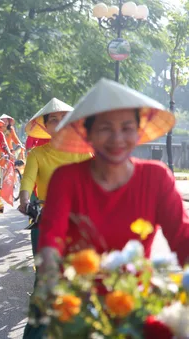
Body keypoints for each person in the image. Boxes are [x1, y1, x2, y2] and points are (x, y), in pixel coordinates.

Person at [32, 78, 189, 337]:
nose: (117, 138)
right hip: (78, 308)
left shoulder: (156, 177)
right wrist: (50, 284)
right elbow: (52, 238)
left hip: (134, 303)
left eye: (127, 128)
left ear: (138, 131)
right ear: (87, 133)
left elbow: (182, 236)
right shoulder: (66, 178)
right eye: (105, 128)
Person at [19, 98, 93, 339]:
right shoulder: (37, 153)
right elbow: (28, 180)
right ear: (45, 126)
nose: (60, 124)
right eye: (54, 119)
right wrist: (23, 199)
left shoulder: (84, 152)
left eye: (65, 119)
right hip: (47, 220)